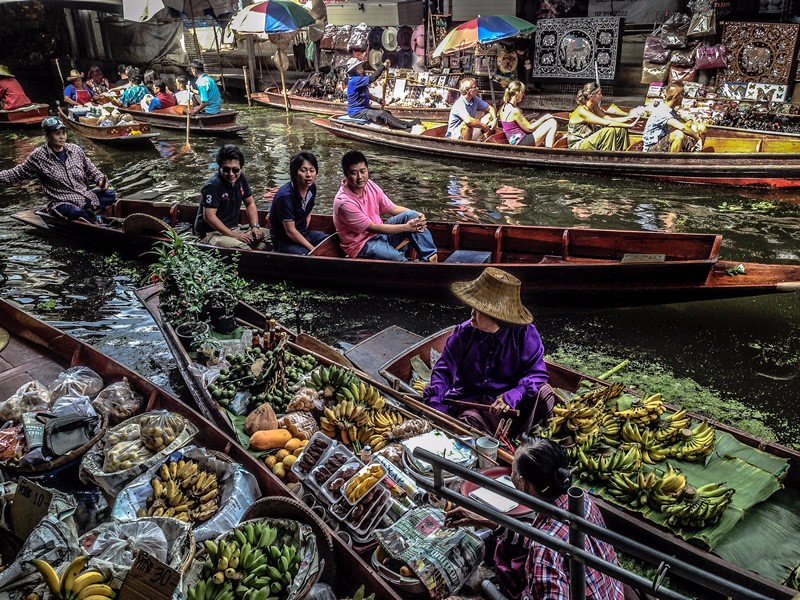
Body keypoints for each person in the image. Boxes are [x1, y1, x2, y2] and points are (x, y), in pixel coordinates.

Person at [445, 436, 624, 600]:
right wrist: (482, 520)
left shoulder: (544, 548)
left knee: (504, 556)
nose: (511, 474)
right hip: (612, 592)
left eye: (513, 470)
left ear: (522, 482)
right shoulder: (579, 498)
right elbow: (533, 536)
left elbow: (544, 546)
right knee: (505, 545)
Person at [423, 267, 554, 437]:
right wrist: (435, 401)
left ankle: (533, 434)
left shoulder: (525, 334)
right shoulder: (463, 334)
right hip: (474, 402)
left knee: (545, 394)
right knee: (470, 421)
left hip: (511, 403)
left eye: (478, 310)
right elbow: (444, 370)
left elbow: (537, 372)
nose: (472, 313)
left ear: (496, 316)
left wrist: (515, 393)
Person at [0, 117, 115, 221]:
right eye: (57, 134)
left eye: (64, 133)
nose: (62, 137)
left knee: (110, 194)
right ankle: (93, 217)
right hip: (61, 202)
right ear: (47, 135)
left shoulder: (75, 150)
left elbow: (91, 170)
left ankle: (91, 212)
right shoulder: (39, 156)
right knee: (76, 212)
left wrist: (100, 180)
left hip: (81, 196)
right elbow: (17, 173)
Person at [333, 150, 437, 262]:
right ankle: (411, 265)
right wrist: (406, 227)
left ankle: (430, 258)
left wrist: (418, 215)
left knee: (412, 215)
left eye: (363, 171)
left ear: (367, 170)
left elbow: (392, 208)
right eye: (354, 173)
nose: (360, 177)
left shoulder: (370, 185)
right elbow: (373, 227)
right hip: (362, 245)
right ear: (346, 174)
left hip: (380, 234)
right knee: (398, 259)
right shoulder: (344, 202)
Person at [194, 144, 265, 250]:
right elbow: (209, 216)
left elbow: (250, 203)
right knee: (243, 248)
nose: (231, 174)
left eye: (235, 170)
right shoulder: (213, 185)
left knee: (271, 236)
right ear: (220, 168)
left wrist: (254, 226)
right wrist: (234, 235)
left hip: (233, 228)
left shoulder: (241, 178)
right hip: (211, 232)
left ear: (240, 168)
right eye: (226, 170)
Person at [269, 151, 328, 255]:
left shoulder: (311, 188)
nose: (308, 175)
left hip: (302, 233)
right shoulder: (285, 196)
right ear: (295, 174)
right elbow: (290, 231)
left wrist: (304, 233)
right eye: (303, 171)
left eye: (312, 170)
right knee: (306, 254)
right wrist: (312, 248)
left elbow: (308, 212)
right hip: (283, 240)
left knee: (328, 240)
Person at [345, 58, 419, 130]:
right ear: (354, 71)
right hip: (357, 112)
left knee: (387, 113)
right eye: (359, 68)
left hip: (364, 109)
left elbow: (367, 94)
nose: (362, 70)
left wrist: (377, 100)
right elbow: (372, 78)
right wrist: (383, 66)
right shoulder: (354, 80)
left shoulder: (359, 80)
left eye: (361, 67)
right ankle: (406, 125)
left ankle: (399, 125)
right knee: (382, 114)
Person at [567, 82, 636, 151]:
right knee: (609, 131)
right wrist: (629, 125)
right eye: (599, 94)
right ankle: (607, 157)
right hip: (578, 145)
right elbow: (606, 123)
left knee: (621, 130)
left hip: (590, 140)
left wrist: (628, 119)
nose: (601, 96)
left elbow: (608, 119)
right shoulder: (582, 111)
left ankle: (620, 154)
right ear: (591, 97)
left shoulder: (594, 107)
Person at [642, 83, 703, 153]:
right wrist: (697, 137)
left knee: (701, 128)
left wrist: (693, 125)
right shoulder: (662, 111)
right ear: (676, 97)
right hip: (652, 149)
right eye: (682, 95)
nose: (683, 98)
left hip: (663, 144)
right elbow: (682, 127)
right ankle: (672, 162)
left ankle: (696, 156)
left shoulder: (671, 110)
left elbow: (685, 124)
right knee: (678, 134)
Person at [499, 81, 558, 147]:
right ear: (517, 93)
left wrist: (531, 122)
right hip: (521, 142)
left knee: (546, 124)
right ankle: (548, 151)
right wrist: (544, 118)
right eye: (522, 93)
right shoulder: (514, 111)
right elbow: (530, 128)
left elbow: (513, 126)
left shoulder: (503, 107)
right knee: (552, 122)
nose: (523, 95)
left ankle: (547, 148)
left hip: (515, 141)